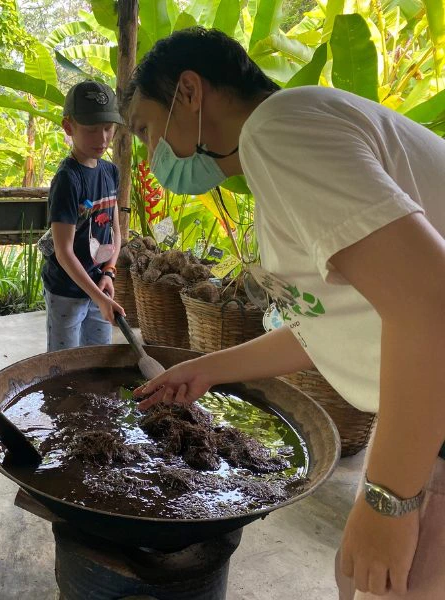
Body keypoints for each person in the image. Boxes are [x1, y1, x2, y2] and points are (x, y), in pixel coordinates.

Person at [123, 27, 445, 599]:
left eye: (146, 129)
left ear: (190, 92)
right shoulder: (308, 124)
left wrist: (390, 501)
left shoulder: (279, 130)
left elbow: (432, 304)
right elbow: (329, 323)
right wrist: (206, 370)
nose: (152, 157)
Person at [41, 80, 126, 352]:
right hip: (66, 291)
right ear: (69, 127)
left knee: (98, 357)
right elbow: (63, 251)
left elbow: (115, 231)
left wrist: (109, 273)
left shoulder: (110, 172)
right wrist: (98, 297)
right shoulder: (68, 179)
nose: (102, 139)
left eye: (108, 128)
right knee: (65, 362)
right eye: (91, 129)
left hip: (100, 285)